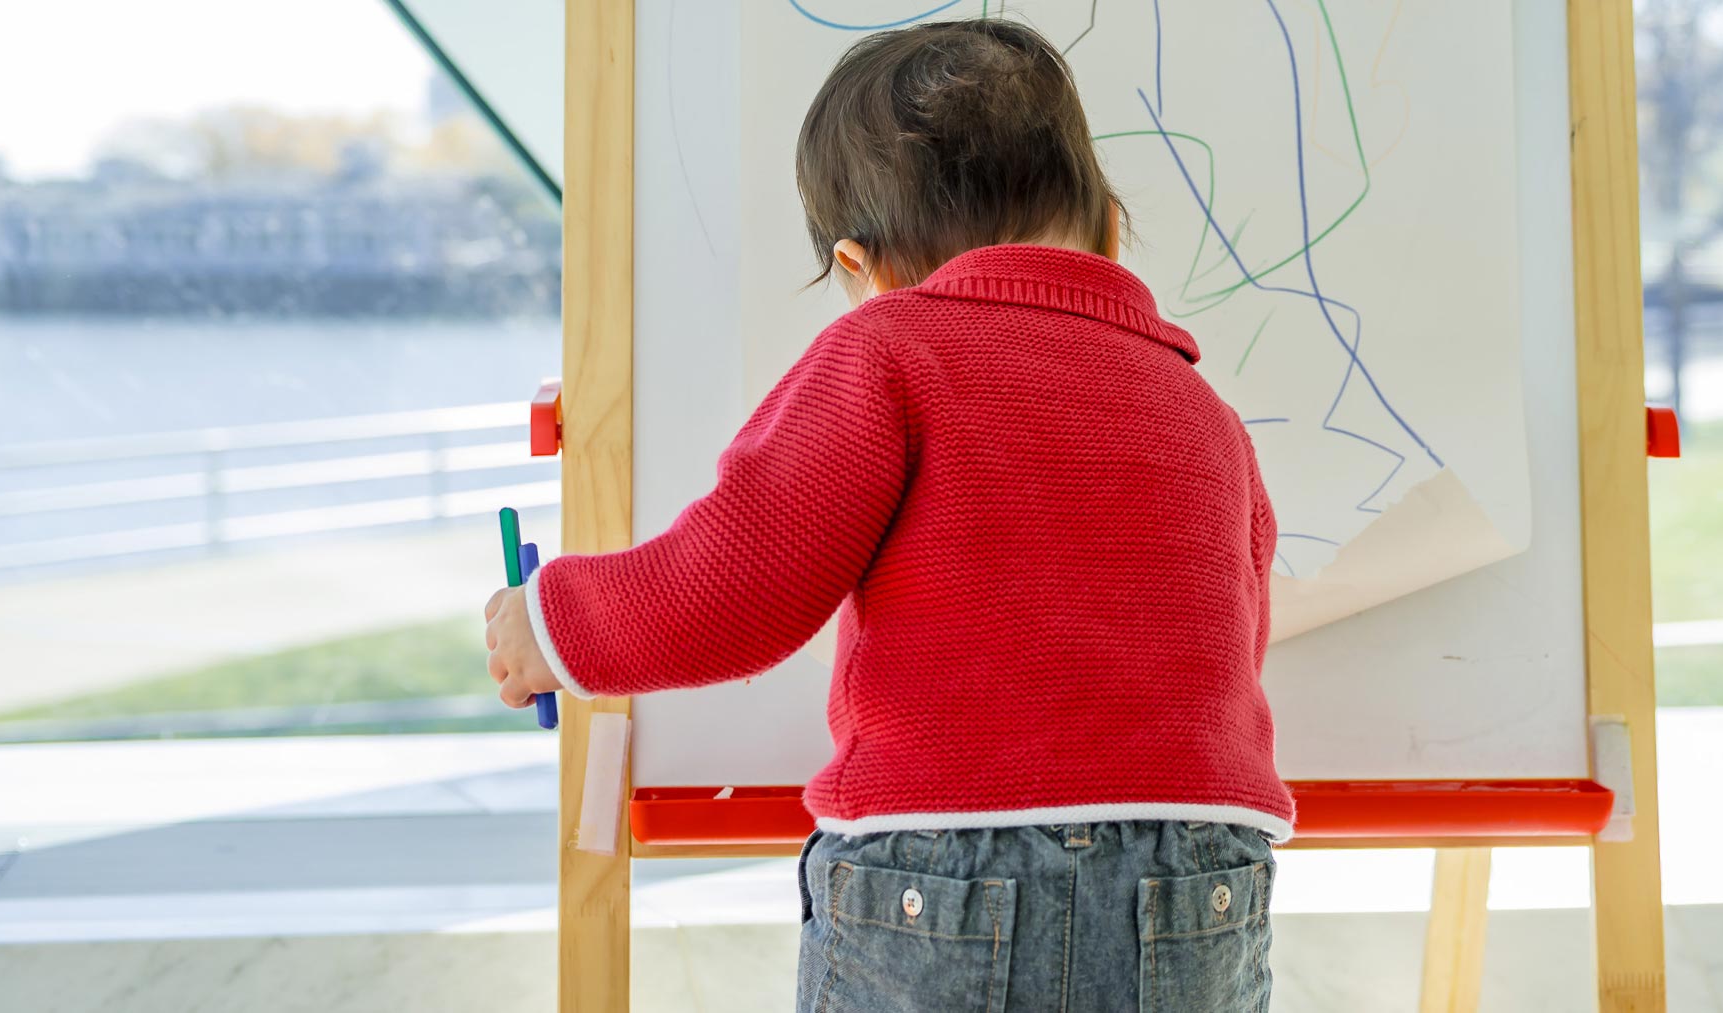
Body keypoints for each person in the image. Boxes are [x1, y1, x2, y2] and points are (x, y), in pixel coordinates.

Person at [484, 18, 1288, 1012]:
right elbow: (1241, 616)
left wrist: (553, 626)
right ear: (1111, 230)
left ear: (868, 269)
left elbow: (740, 580)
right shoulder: (1201, 408)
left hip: (949, 869)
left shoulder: (889, 350)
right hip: (1201, 875)